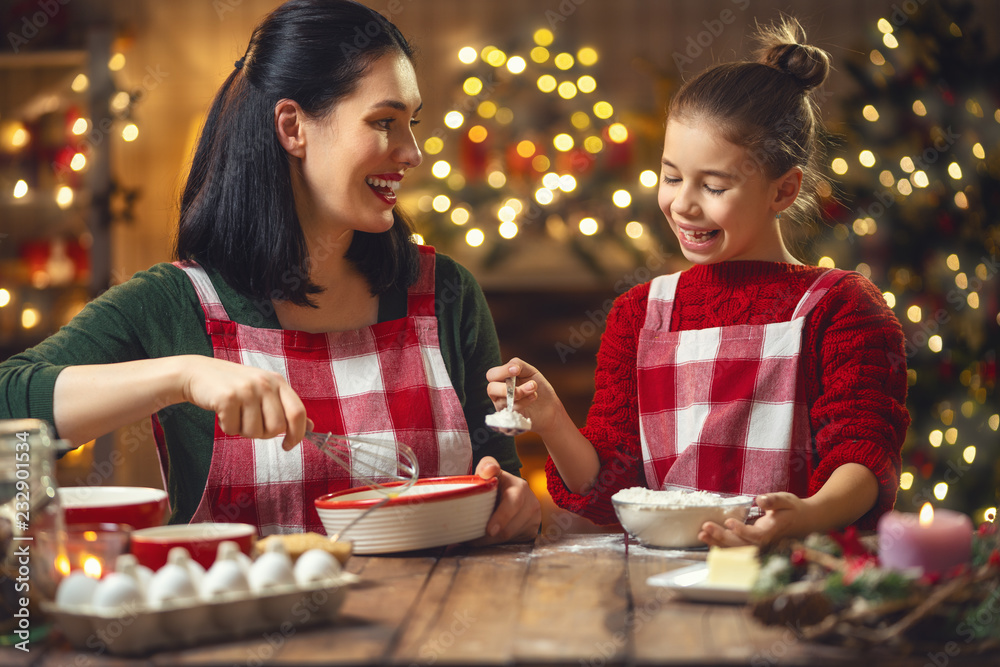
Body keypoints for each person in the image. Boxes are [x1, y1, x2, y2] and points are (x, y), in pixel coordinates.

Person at [0, 0, 540, 542]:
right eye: (384, 122)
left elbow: (500, 478)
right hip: (248, 627)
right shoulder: (175, 305)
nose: (413, 153)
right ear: (293, 127)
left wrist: (511, 502)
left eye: (411, 124)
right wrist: (182, 376)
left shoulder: (446, 294)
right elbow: (9, 406)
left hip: (437, 623)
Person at [486, 18, 908, 547]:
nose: (683, 204)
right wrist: (550, 419)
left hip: (790, 576)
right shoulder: (639, 314)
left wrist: (803, 515)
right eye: (671, 176)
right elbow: (610, 486)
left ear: (783, 192)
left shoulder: (839, 307)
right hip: (661, 592)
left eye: (713, 185)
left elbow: (864, 457)